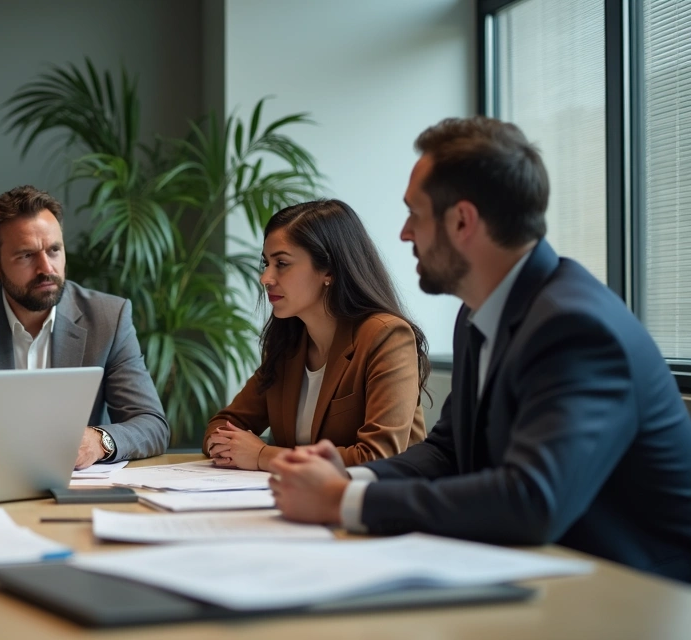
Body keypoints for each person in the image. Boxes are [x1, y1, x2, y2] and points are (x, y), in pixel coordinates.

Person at [268, 116, 691, 583]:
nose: (405, 233)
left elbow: (533, 499)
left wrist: (341, 502)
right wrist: (348, 478)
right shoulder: (478, 316)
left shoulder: (575, 327)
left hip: (633, 594)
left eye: (415, 214)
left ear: (463, 221)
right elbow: (447, 452)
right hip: (537, 572)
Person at [0, 185, 169, 466]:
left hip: (80, 492)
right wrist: (0, 444)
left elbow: (151, 424)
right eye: (27, 255)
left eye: (54, 250)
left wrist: (99, 441)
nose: (47, 269)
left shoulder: (108, 317)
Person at [205, 200, 428, 471]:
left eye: (282, 263)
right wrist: (227, 445)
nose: (266, 277)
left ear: (329, 271)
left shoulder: (386, 337)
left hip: (380, 507)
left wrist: (263, 455)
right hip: (299, 502)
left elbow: (378, 457)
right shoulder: (288, 345)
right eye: (266, 263)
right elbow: (223, 424)